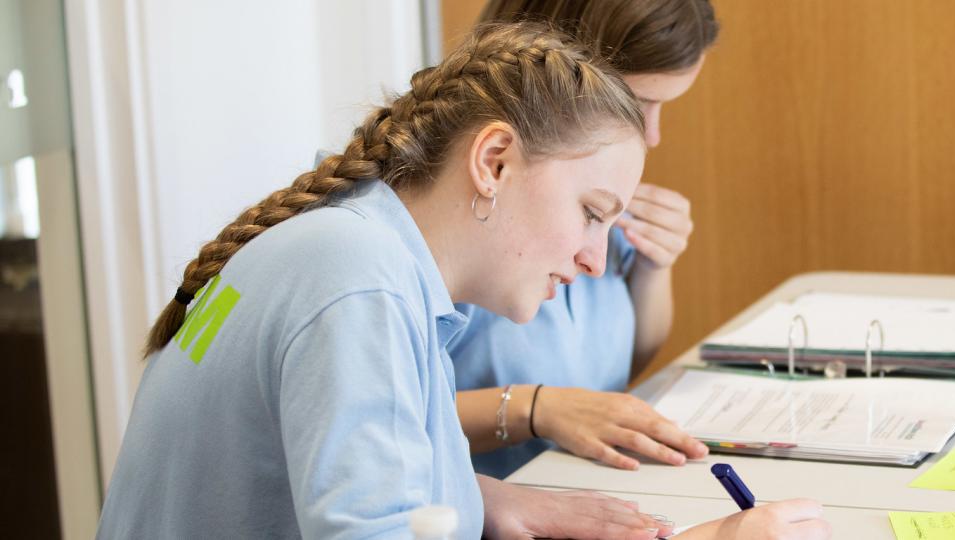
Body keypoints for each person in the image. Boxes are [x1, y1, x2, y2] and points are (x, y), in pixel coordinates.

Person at [96, 22, 827, 539]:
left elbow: (312, 475)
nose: (596, 262)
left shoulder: (360, 246)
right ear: (495, 162)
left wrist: (484, 501)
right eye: (589, 213)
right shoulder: (358, 283)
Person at [451, 0, 719, 478]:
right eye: (638, 104)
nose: (653, 135)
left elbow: (614, 371)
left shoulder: (590, 190)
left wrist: (653, 267)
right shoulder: (443, 221)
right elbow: (386, 418)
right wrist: (535, 409)